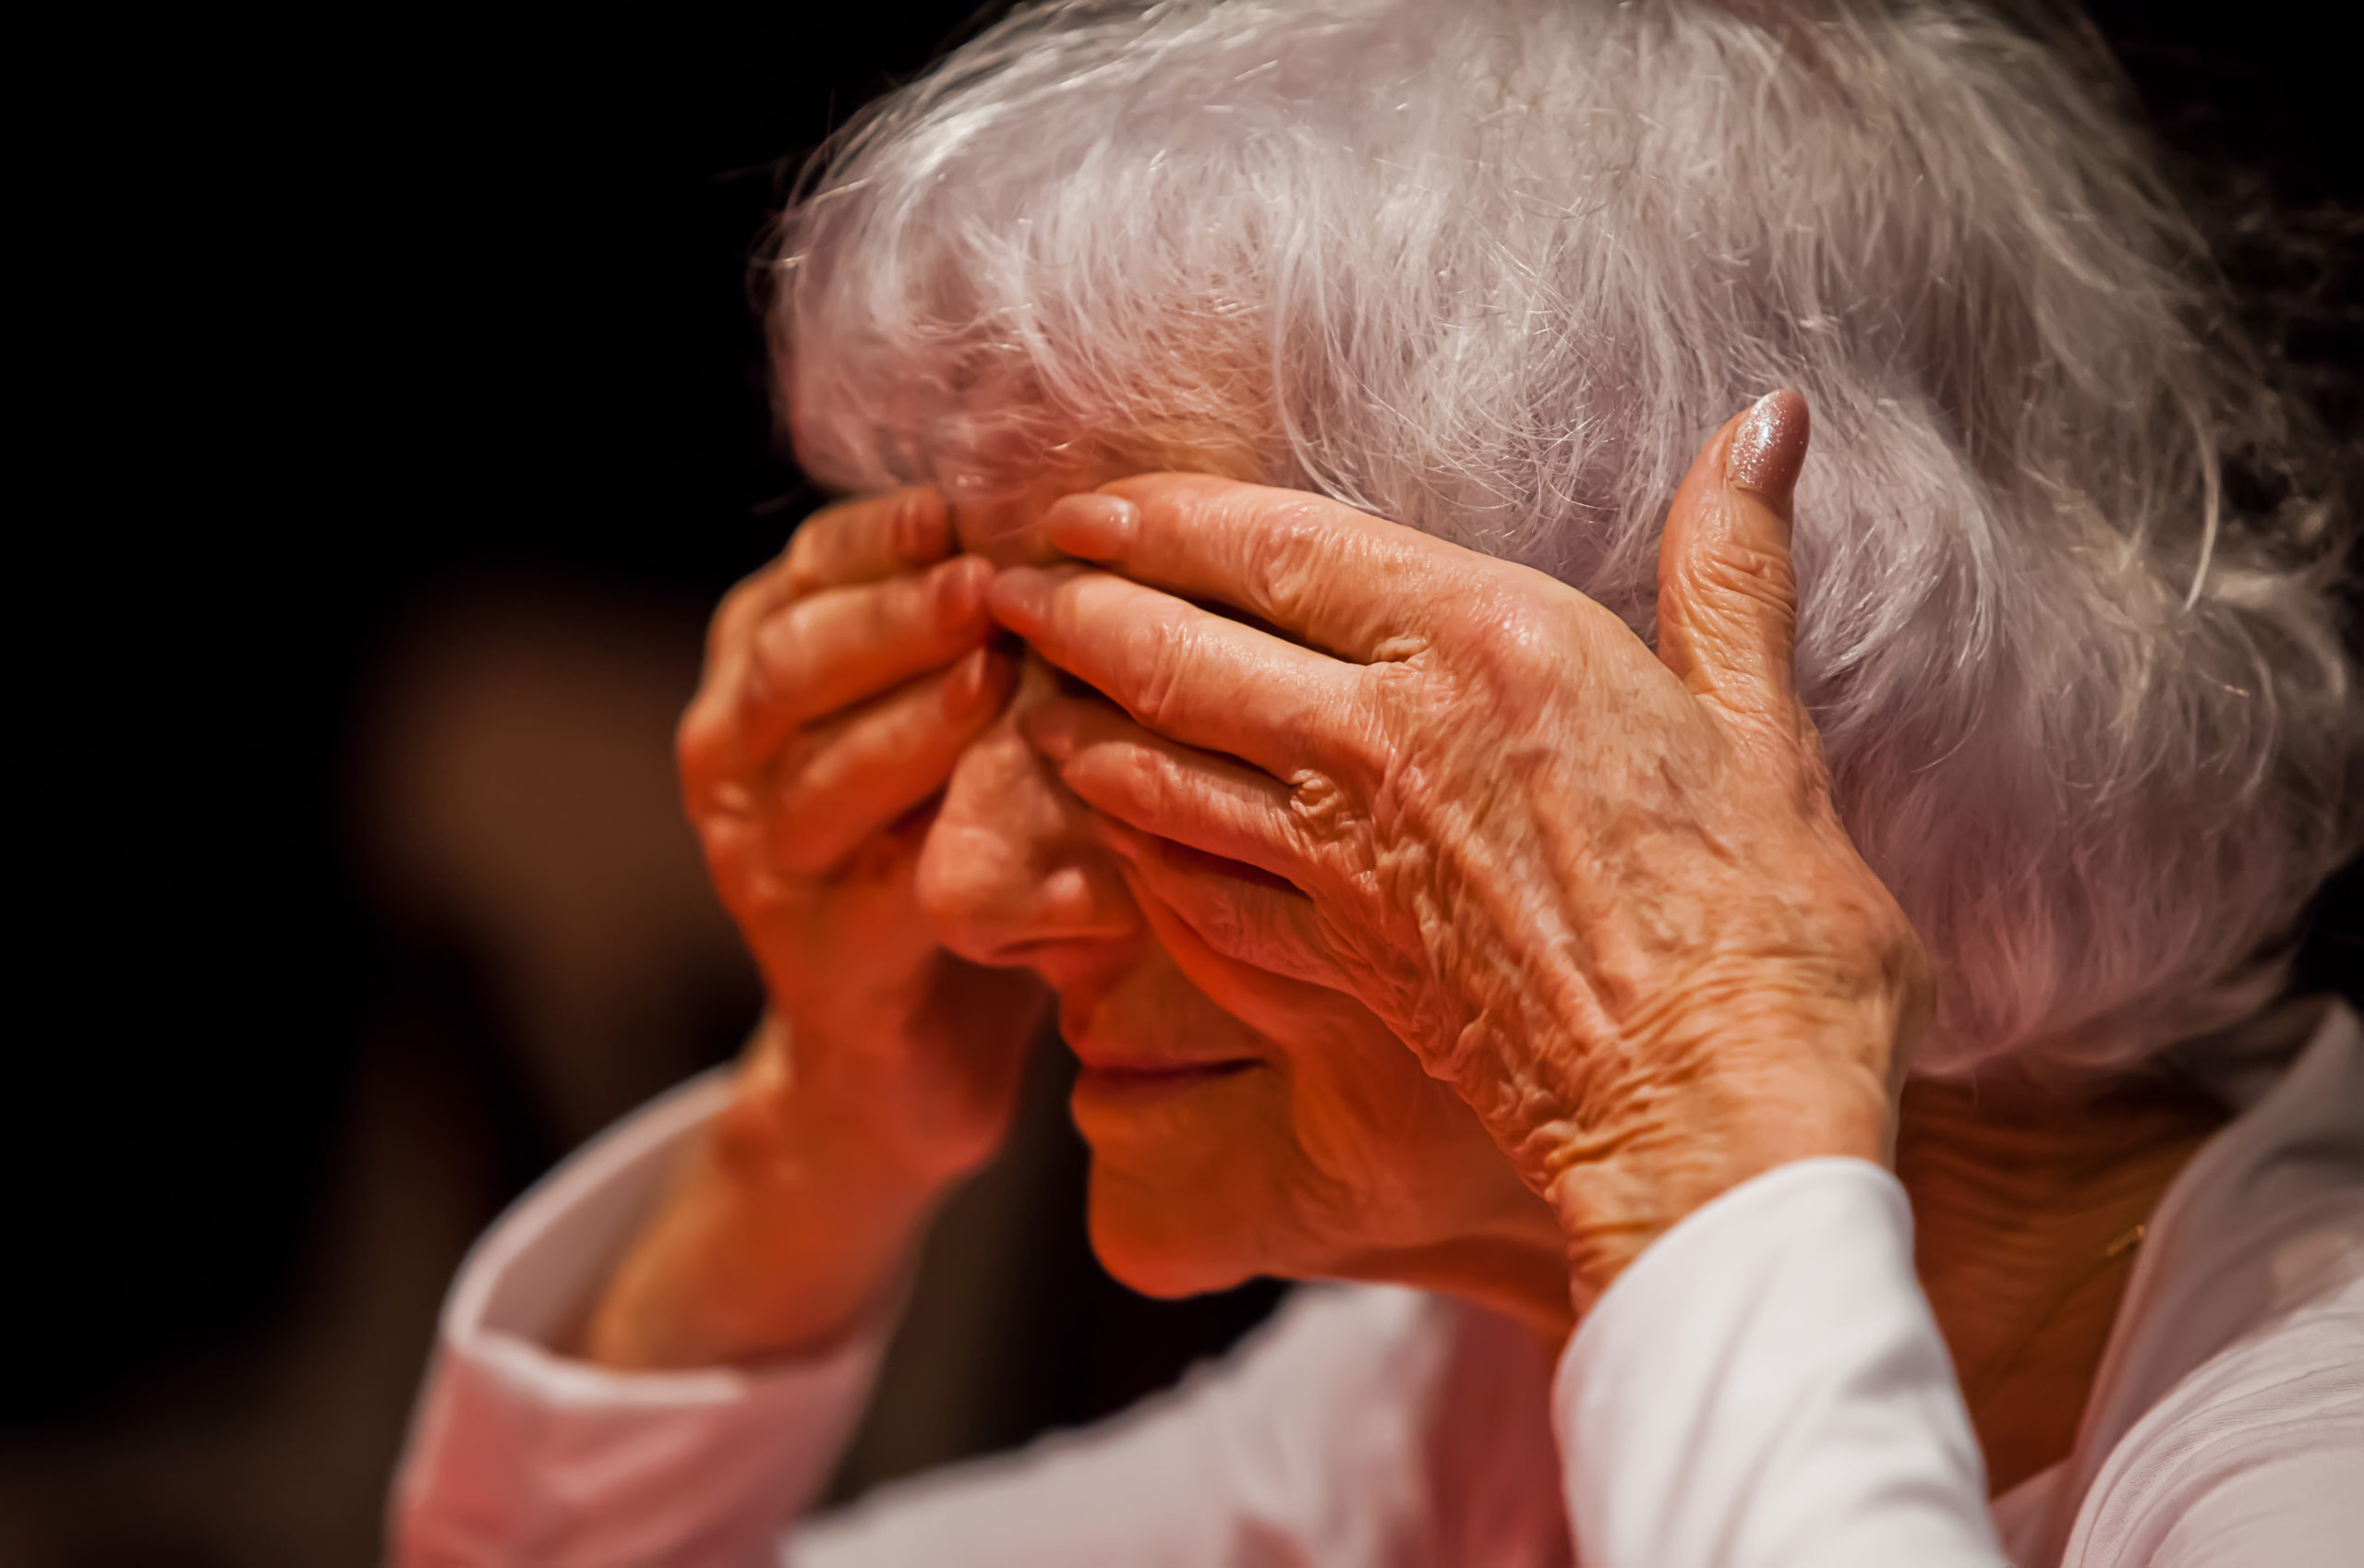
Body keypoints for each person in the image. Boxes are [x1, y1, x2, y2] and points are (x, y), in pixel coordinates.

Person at [392, 2, 2364, 1562]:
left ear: (1762, 719)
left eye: (1160, 682)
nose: (973, 889)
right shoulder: (1461, 1392)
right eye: (993, 665)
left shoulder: (2305, 1451)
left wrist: (1691, 1119)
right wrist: (826, 1128)